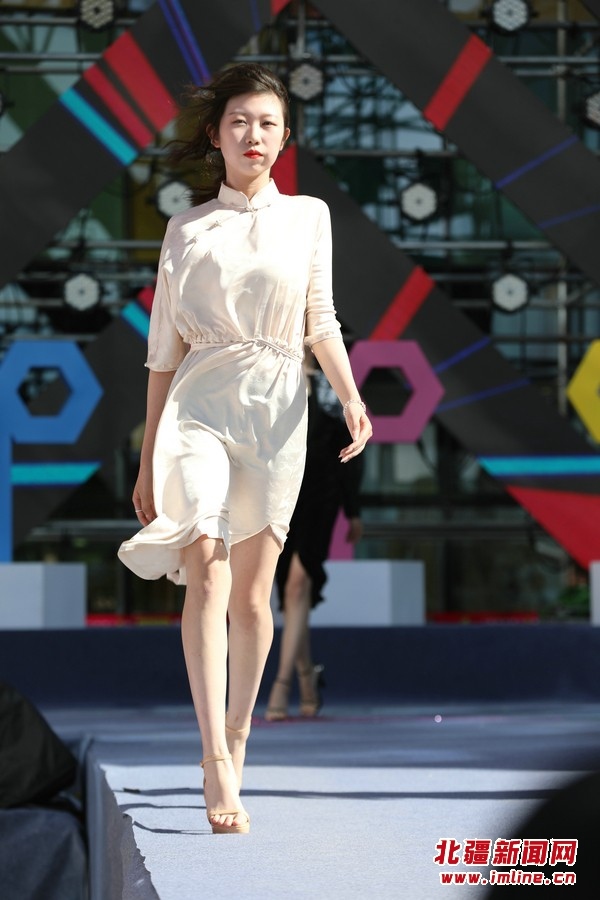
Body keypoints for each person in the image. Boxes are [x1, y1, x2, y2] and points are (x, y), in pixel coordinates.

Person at [117, 62, 372, 835]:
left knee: (254, 598)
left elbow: (320, 318)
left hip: (278, 413)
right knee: (205, 564)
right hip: (197, 407)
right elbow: (163, 353)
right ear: (215, 135)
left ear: (284, 137)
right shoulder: (186, 228)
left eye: (266, 123)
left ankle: (238, 735)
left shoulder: (309, 217)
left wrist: (351, 396)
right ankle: (213, 759)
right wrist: (147, 456)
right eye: (238, 121)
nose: (252, 134)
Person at [265, 361, 364, 721]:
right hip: (282, 493)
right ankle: (308, 679)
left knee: (297, 584)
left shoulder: (332, 380)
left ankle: (280, 685)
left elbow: (351, 445)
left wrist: (353, 509)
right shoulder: (274, 370)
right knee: (291, 594)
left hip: (322, 493)